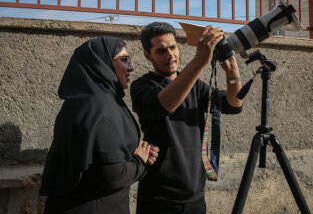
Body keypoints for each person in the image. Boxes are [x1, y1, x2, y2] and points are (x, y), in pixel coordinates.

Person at [130, 22, 243, 214]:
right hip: (158, 199)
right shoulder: (142, 87)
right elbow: (165, 105)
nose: (170, 55)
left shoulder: (196, 86)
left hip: (196, 197)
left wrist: (233, 75)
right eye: (161, 51)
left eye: (173, 47)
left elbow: (233, 105)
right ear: (148, 56)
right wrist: (199, 61)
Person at [40, 36, 159, 214]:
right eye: (124, 60)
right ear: (101, 63)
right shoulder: (102, 107)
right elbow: (113, 177)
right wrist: (141, 161)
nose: (131, 67)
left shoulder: (78, 103)